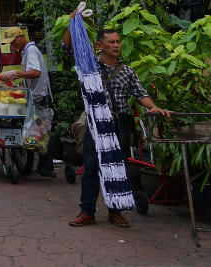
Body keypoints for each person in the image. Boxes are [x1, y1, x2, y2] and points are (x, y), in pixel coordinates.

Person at [66, 28, 172, 229]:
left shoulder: (127, 71)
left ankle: (115, 212)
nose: (116, 46)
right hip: (96, 124)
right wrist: (72, 23)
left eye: (118, 42)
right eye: (111, 42)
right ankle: (87, 212)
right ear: (99, 45)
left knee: (118, 169)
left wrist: (153, 107)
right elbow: (67, 46)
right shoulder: (89, 65)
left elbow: (140, 94)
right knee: (91, 169)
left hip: (120, 125)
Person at [0, 26, 55, 178]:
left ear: (21, 37)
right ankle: (45, 167)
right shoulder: (28, 51)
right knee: (41, 131)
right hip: (37, 95)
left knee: (41, 133)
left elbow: (36, 73)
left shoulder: (31, 51)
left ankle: (46, 169)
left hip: (40, 97)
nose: (12, 47)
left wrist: (16, 73)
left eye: (13, 42)